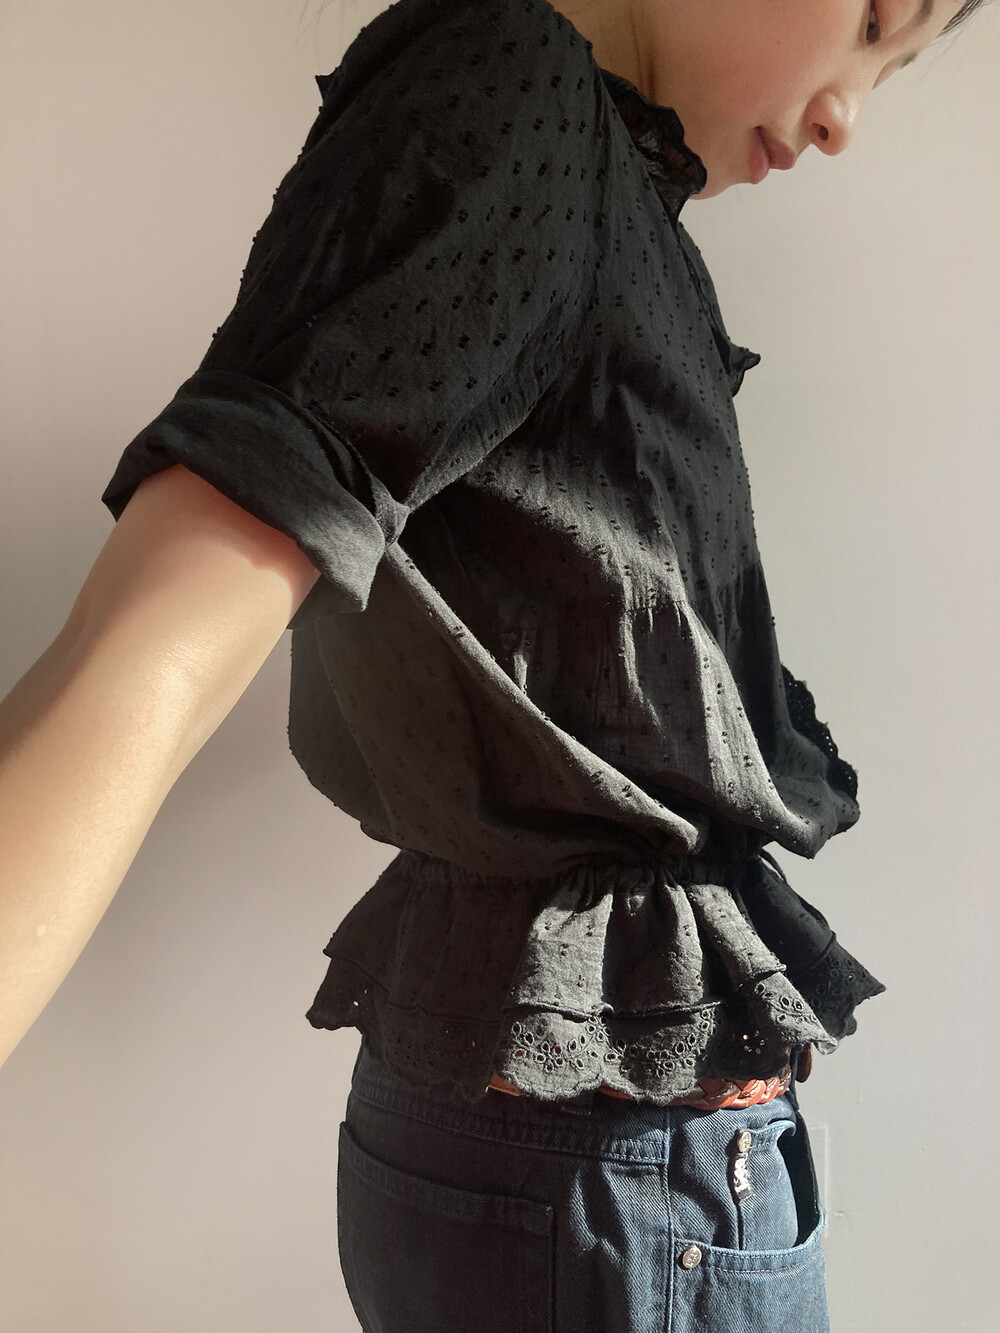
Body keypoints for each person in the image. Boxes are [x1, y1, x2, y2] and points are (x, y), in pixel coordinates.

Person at [0, 0, 987, 1329]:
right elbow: (169, 619)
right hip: (612, 1192)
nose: (844, 117)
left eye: (895, 68)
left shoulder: (592, 167)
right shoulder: (515, 97)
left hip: (601, 1183)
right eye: (871, 19)